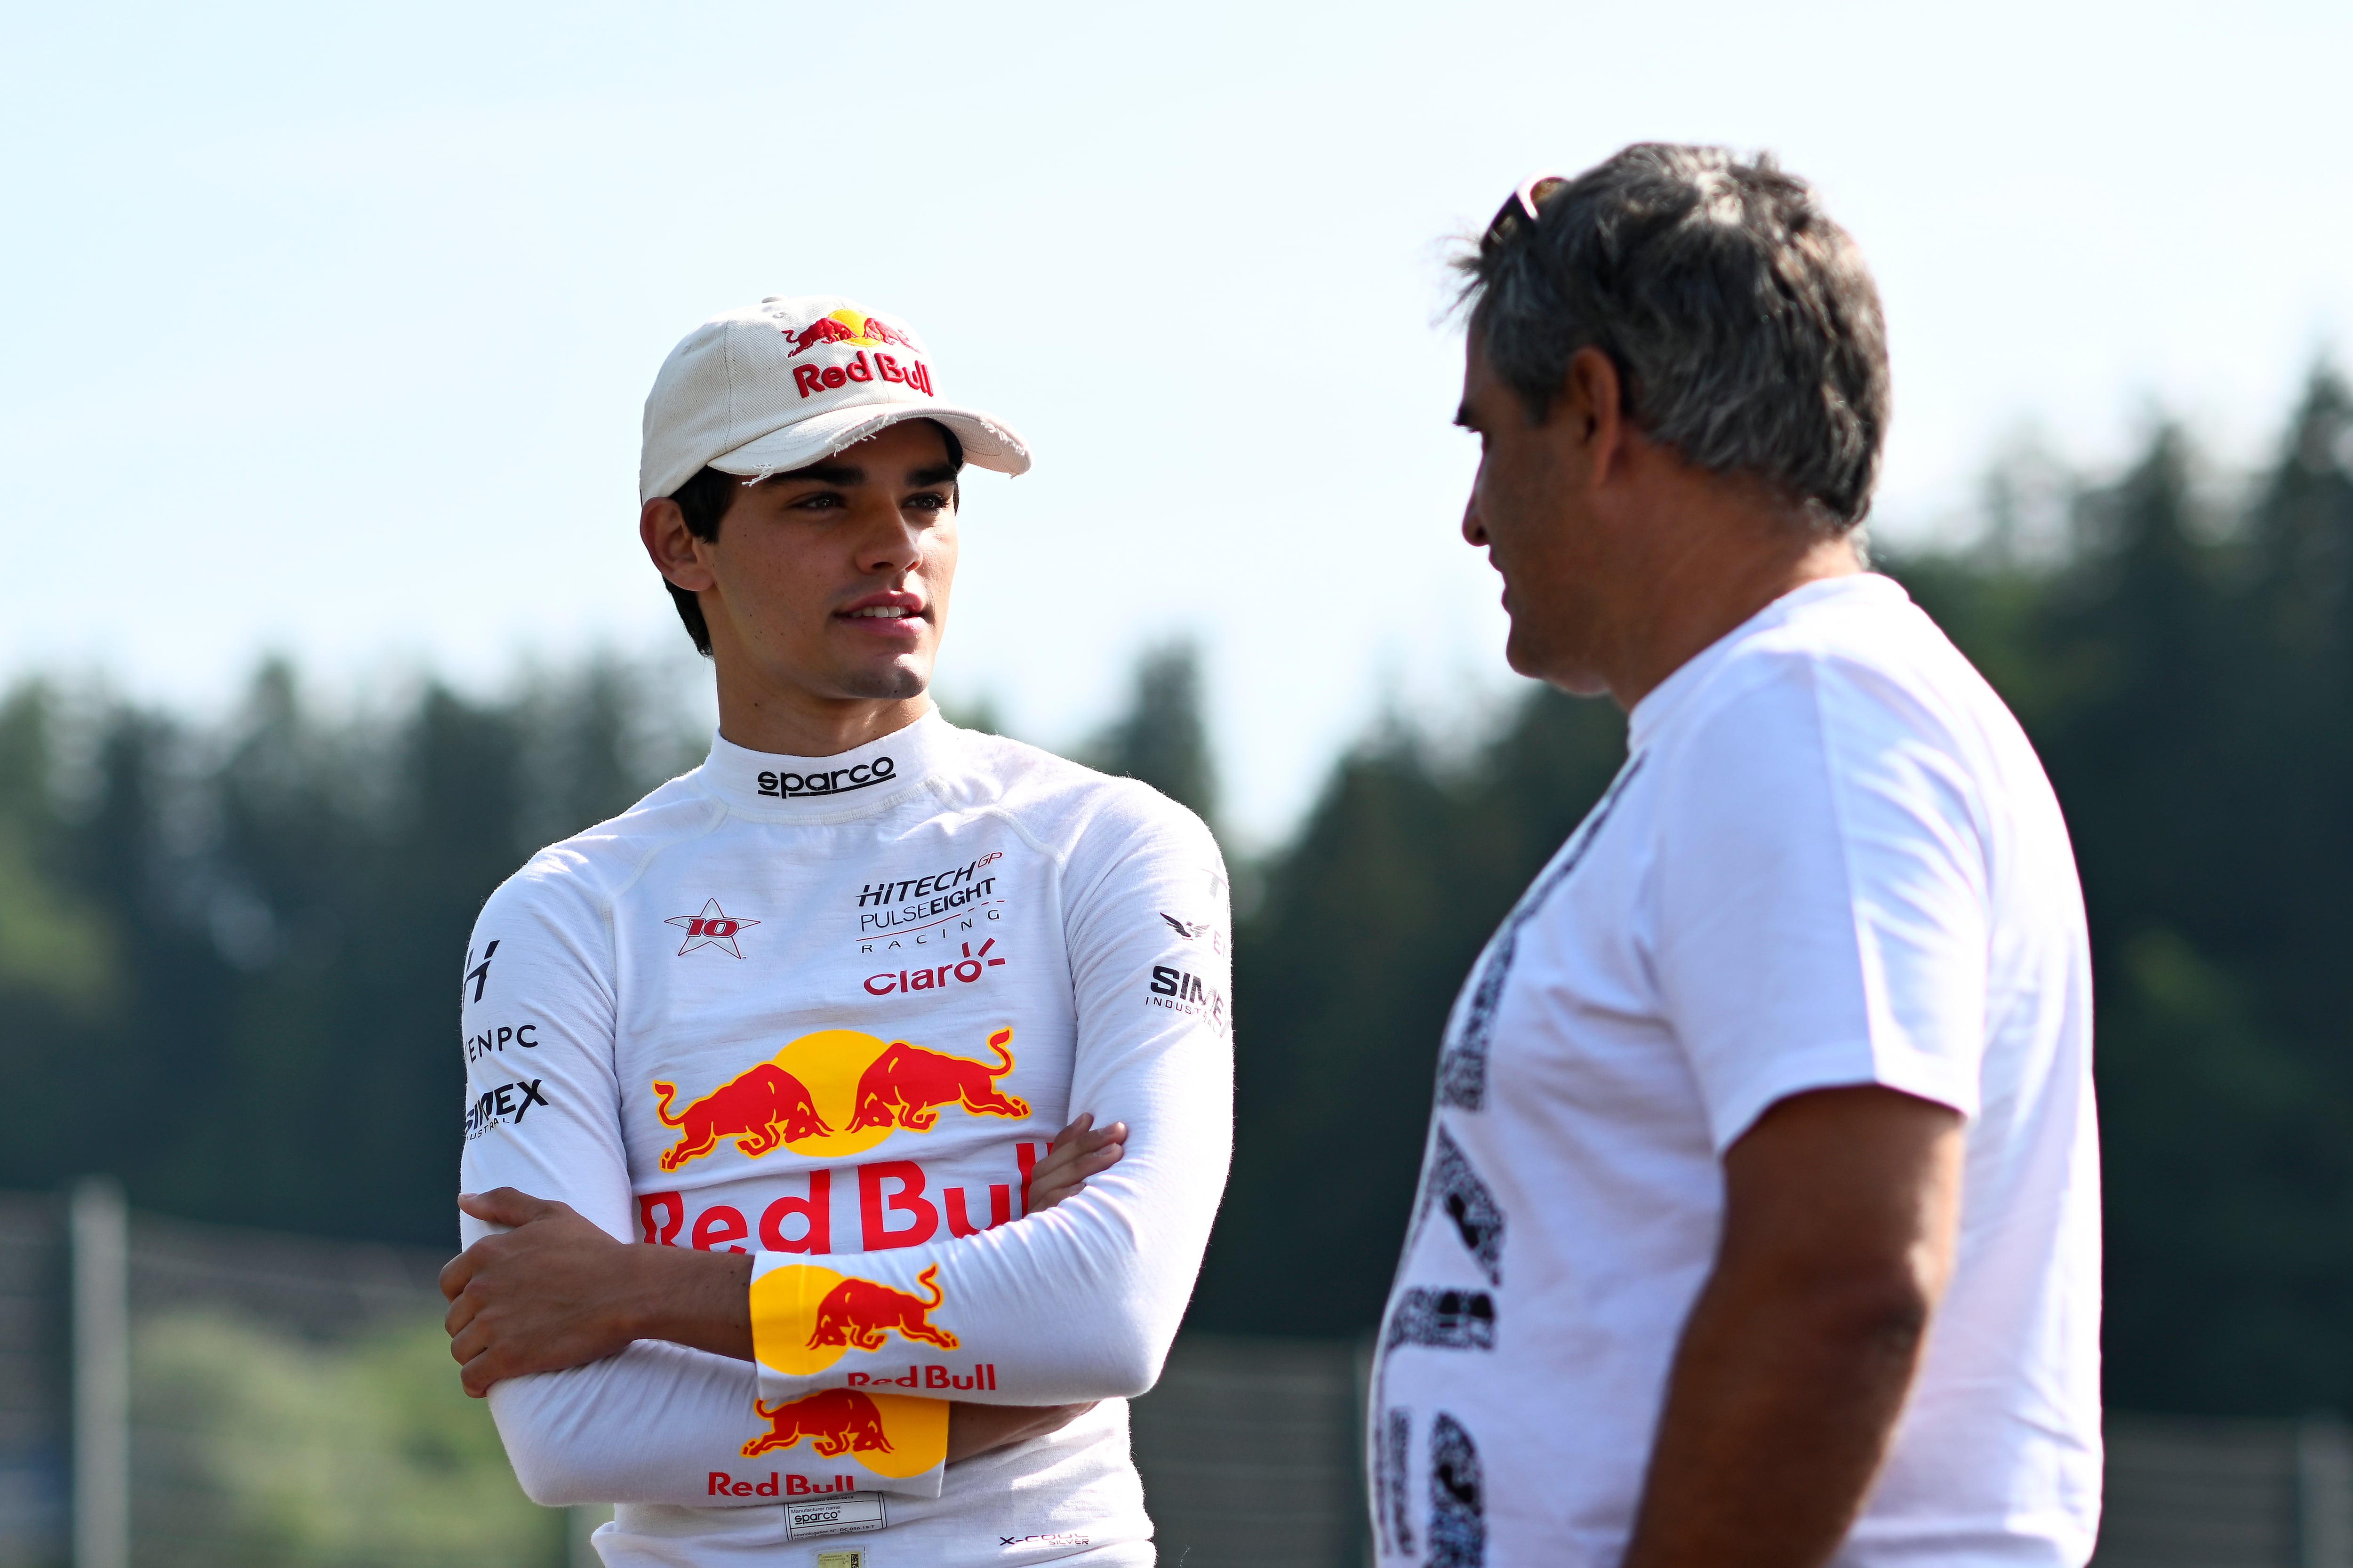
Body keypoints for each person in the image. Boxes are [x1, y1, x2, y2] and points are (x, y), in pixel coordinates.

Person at [1371, 147, 2099, 1568]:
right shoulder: (1776, 718)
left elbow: (1846, 1273)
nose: (1472, 513)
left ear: (1593, 410)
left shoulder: (1810, 714)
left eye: (1487, 435)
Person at [439, 295, 1233, 1567]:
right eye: (823, 500)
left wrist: (653, 1290)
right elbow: (572, 1430)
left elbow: (1113, 1311)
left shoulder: (1116, 847)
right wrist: (1001, 1368)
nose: (895, 545)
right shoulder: (561, 914)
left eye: (927, 497)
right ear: (679, 542)